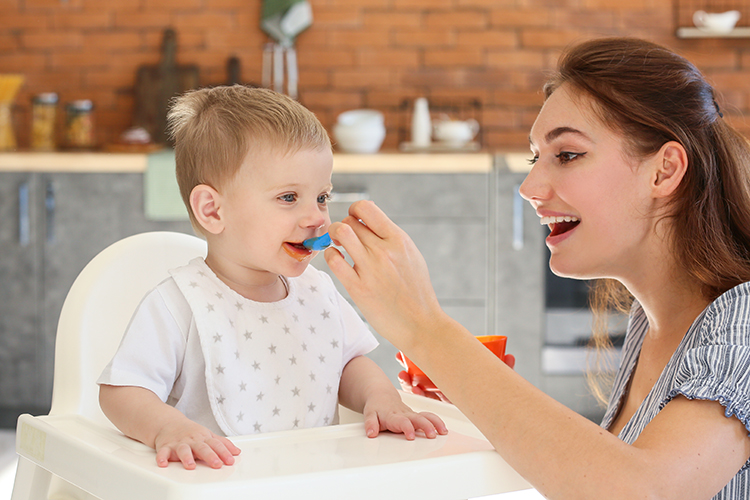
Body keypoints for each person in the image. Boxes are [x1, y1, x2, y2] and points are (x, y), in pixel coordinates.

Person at [323, 37, 750, 499]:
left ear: (664, 171)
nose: (529, 186)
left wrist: (425, 328)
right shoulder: (651, 322)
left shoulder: (741, 323)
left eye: (567, 155)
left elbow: (640, 490)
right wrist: (473, 400)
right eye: (535, 157)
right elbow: (597, 473)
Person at [97, 85, 446, 471]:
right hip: (213, 485)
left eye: (322, 197)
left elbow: (346, 362)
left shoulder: (318, 290)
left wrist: (380, 398)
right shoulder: (180, 303)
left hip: (312, 480)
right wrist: (168, 428)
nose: (316, 217)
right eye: (288, 198)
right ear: (212, 210)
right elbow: (123, 391)